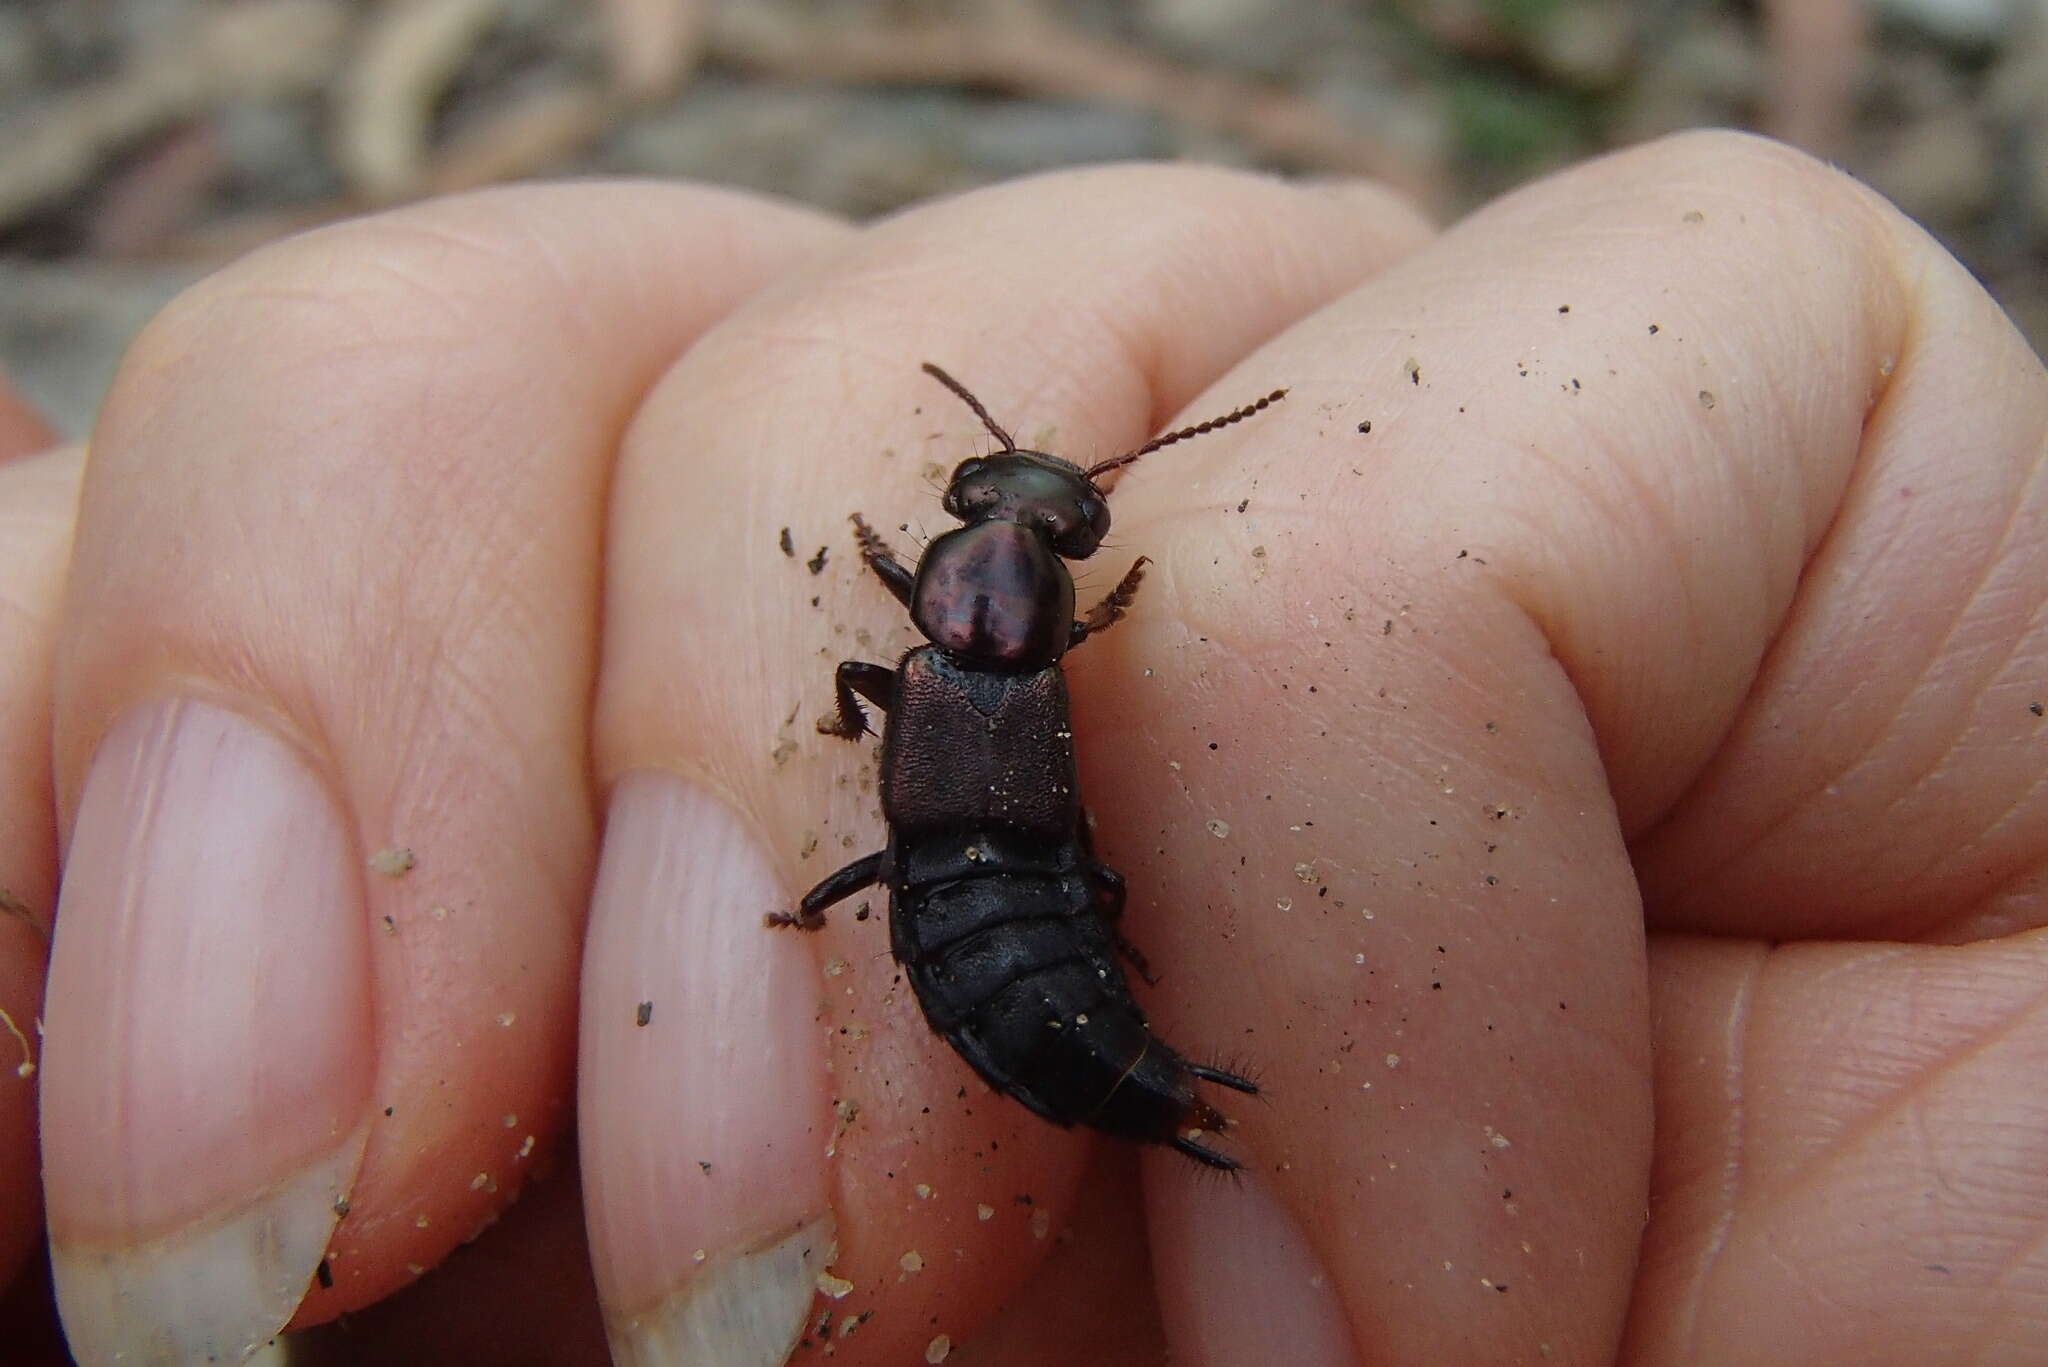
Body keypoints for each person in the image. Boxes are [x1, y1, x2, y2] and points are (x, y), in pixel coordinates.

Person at [1, 129, 2043, 1366]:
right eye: (1039, 511)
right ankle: (1112, 1048)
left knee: (998, 908)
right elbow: (1039, 827)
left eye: (1040, 516)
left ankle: (1100, 1042)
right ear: (1039, 566)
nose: (1034, 524)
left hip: (991, 928)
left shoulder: (961, 668)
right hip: (1015, 931)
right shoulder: (1049, 676)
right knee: (1030, 914)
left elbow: (955, 797)